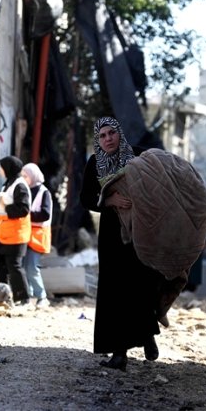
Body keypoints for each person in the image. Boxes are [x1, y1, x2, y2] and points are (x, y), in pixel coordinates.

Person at [80, 116, 164, 371]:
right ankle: (119, 354)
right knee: (114, 291)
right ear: (98, 139)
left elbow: (158, 186)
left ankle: (147, 335)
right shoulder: (95, 163)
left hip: (140, 232)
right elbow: (85, 198)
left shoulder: (139, 157)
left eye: (112, 133)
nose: (108, 139)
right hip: (112, 236)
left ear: (120, 134)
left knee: (142, 285)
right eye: (102, 135)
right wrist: (109, 201)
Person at [0, 156, 31, 305]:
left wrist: (5, 206)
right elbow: (2, 209)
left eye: (2, 167)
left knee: (15, 268)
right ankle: (5, 297)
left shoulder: (20, 185)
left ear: (8, 169)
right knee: (2, 267)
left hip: (15, 235)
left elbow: (23, 209)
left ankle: (23, 299)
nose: (0, 170)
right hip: (4, 235)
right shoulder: (9, 184)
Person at [21, 162, 52, 308]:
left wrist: (27, 215)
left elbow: (45, 214)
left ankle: (42, 297)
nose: (23, 178)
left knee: (32, 267)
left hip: (38, 236)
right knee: (24, 267)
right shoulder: (26, 190)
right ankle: (31, 297)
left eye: (25, 176)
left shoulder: (43, 192)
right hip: (25, 234)